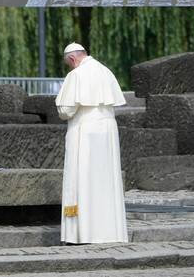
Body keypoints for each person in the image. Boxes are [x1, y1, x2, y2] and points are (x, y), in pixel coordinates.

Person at [55, 43, 128, 245]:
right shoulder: (105, 71)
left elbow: (66, 110)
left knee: (83, 180)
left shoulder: (76, 75)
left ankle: (84, 234)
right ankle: (109, 233)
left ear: (72, 59)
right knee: (105, 181)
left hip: (84, 131)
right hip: (108, 131)